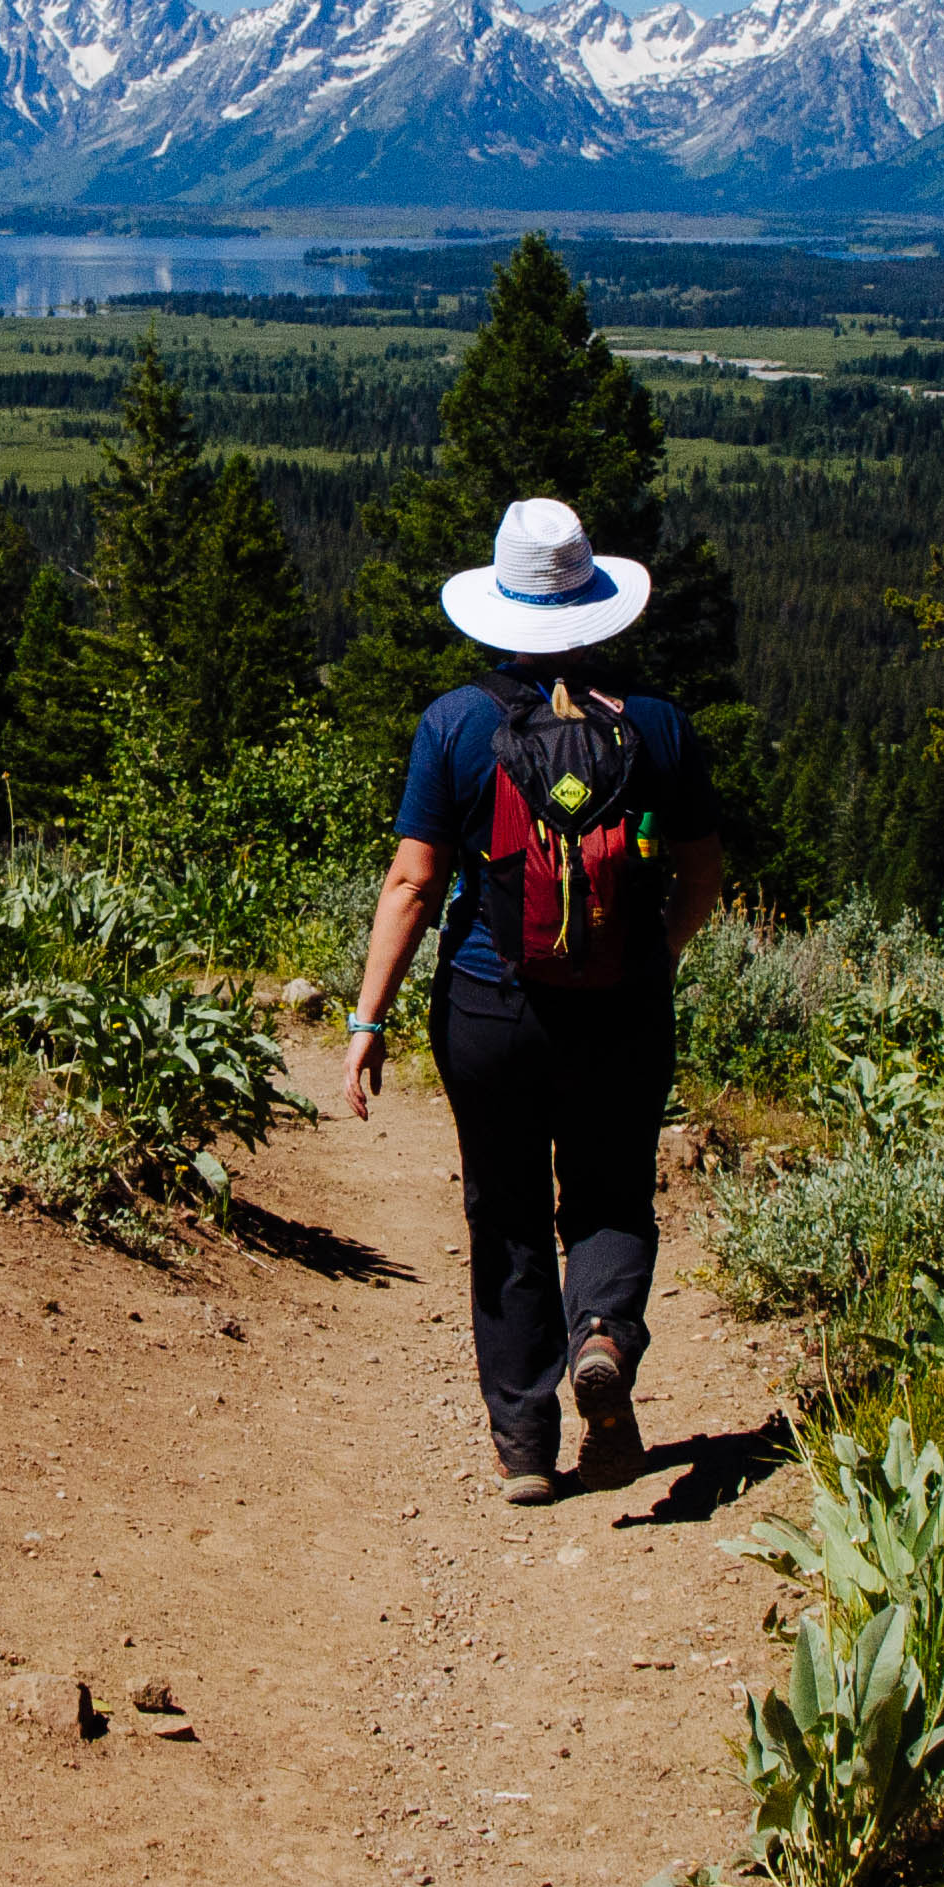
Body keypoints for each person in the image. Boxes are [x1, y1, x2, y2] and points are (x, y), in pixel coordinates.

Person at [342, 495, 727, 1504]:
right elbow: (701, 873)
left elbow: (413, 883)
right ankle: (601, 1334)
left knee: (505, 1213)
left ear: (501, 605)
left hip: (488, 1007)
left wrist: (368, 1020)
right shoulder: (657, 725)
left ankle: (523, 1445)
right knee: (610, 1194)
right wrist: (654, 954)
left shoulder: (457, 722)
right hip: (621, 1008)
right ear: (594, 600)